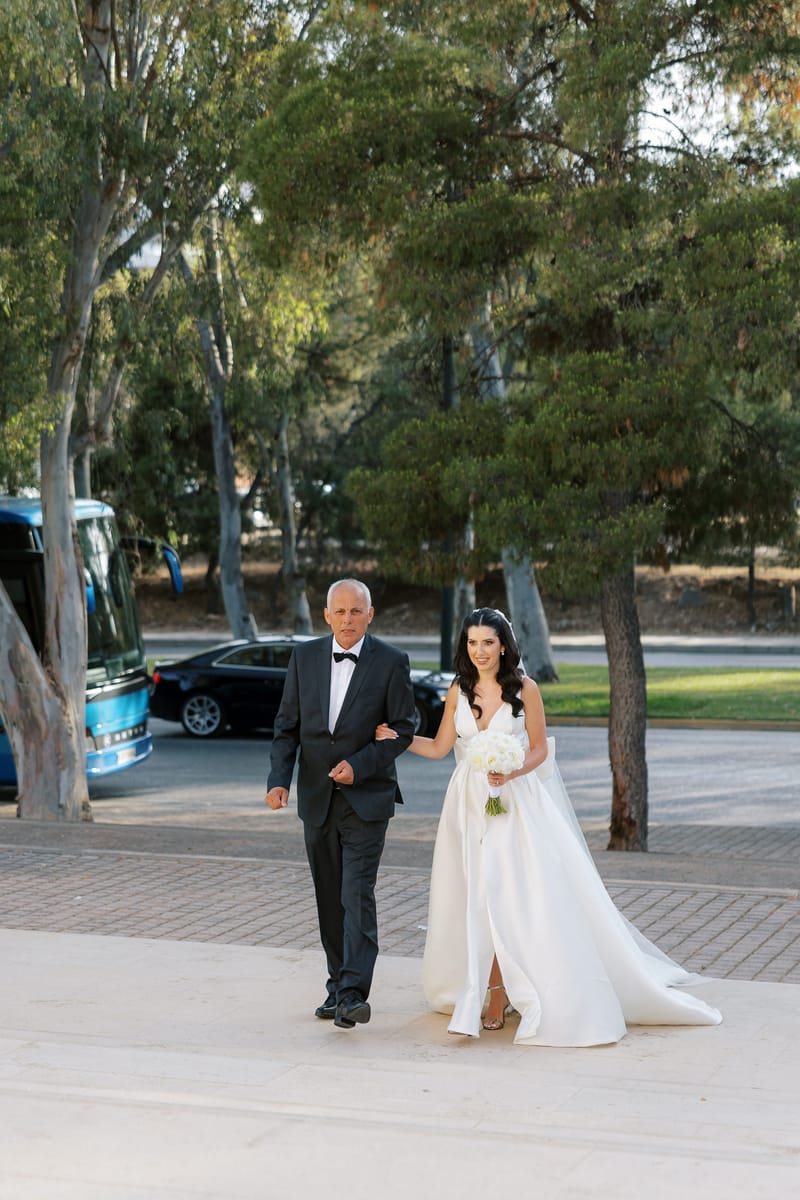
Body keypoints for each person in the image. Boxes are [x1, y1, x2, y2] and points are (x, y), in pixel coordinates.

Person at [377, 607, 721, 1046]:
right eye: (471, 643)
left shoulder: (526, 689)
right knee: (476, 896)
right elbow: (444, 747)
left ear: (503, 645)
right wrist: (399, 740)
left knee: (508, 895)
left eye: (487, 642)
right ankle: (487, 988)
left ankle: (506, 992)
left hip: (516, 804)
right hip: (467, 805)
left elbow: (540, 749)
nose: (479, 651)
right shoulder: (457, 691)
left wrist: (512, 770)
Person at [265, 578, 415, 1030]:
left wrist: (360, 764)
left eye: (356, 611)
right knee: (329, 898)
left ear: (371, 614)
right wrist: (279, 781)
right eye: (340, 612)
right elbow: (286, 726)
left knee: (356, 894)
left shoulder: (391, 662)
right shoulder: (304, 657)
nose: (348, 619)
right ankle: (336, 986)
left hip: (366, 799)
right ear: (326, 616)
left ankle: (353, 993)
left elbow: (403, 728)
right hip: (315, 797)